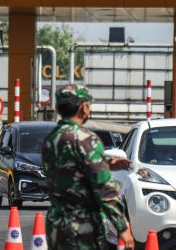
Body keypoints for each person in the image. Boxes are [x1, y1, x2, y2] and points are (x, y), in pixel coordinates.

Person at [42, 84, 135, 250]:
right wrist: (123, 227)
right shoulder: (86, 139)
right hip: (81, 227)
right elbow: (105, 189)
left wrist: (107, 165)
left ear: (57, 107)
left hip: (56, 224)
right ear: (84, 107)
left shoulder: (51, 138)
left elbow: (70, 172)